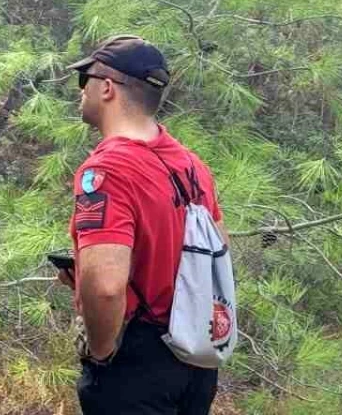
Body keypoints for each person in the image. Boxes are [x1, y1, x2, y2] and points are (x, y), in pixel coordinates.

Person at [58, 36, 227, 415]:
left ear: (106, 88)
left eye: (84, 78)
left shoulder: (107, 171)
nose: (80, 90)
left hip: (136, 364)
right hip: (196, 360)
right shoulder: (193, 165)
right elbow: (219, 253)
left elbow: (104, 289)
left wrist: (101, 354)